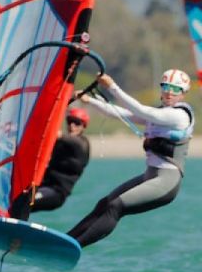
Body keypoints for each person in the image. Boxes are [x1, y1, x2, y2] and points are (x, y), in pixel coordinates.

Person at [67, 69, 194, 248]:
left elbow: (141, 110)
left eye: (175, 89)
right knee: (105, 203)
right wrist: (90, 100)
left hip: (166, 182)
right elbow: (119, 113)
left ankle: (74, 246)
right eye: (166, 87)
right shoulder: (161, 112)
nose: (169, 92)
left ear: (183, 93)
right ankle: (66, 239)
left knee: (115, 207)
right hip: (150, 176)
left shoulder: (179, 116)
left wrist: (112, 87)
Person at [31, 107, 91, 212]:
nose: (72, 125)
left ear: (83, 126)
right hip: (42, 186)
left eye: (77, 123)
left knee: (27, 201)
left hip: (56, 193)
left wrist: (55, 133)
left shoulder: (82, 144)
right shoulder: (60, 142)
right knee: (16, 202)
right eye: (70, 121)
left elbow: (69, 140)